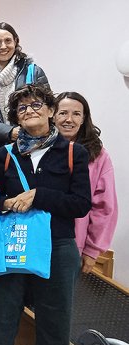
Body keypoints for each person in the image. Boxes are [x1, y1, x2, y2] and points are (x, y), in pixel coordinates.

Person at [0, 84, 91, 345]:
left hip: (57, 247)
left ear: (49, 111)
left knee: (55, 325)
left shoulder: (73, 153)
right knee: (1, 320)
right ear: (16, 118)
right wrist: (5, 203)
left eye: (36, 105)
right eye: (22, 108)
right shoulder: (4, 155)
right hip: (11, 245)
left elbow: (80, 204)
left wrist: (39, 196)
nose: (29, 111)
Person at [55, 92, 118, 274]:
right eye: (63, 113)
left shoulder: (98, 155)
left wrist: (92, 249)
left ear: (84, 119)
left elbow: (105, 207)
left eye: (76, 114)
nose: (69, 119)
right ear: (52, 115)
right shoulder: (38, 149)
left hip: (73, 246)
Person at [0, 22, 50, 154]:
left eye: (8, 41)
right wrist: (10, 132)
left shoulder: (33, 72)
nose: (3, 46)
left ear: (16, 41)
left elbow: (49, 107)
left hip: (33, 147)